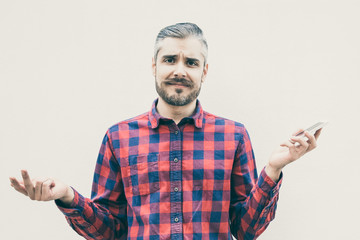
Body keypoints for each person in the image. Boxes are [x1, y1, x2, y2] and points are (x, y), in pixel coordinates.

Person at [9, 22, 322, 240]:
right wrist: (66, 196)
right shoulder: (118, 138)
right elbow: (108, 231)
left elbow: (246, 230)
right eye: (170, 59)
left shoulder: (233, 136)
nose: (179, 70)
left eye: (191, 62)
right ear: (154, 67)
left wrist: (273, 169)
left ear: (204, 71)